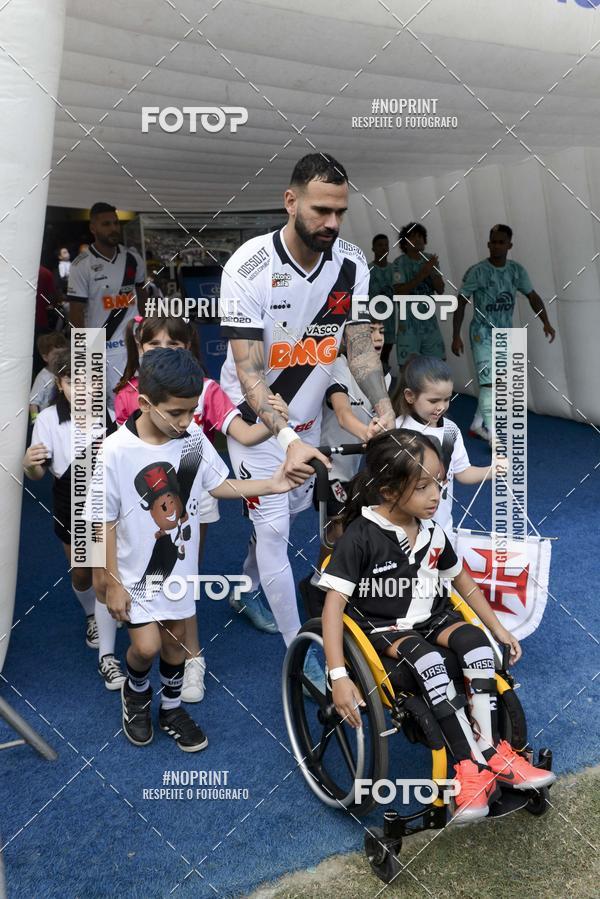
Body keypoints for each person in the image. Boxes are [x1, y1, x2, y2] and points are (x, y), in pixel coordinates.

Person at [219, 152, 394, 688]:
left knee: (287, 516)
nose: (332, 223)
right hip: (259, 418)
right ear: (291, 201)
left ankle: (247, 589)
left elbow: (357, 344)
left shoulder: (351, 262)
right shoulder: (248, 266)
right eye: (321, 210)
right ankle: (309, 652)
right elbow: (249, 371)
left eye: (340, 212)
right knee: (274, 531)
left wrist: (381, 401)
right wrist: (288, 437)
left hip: (311, 410)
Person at [320, 429, 556, 822]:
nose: (436, 496)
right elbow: (332, 608)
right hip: (386, 628)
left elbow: (462, 581)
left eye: (439, 484)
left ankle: (493, 751)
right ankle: (468, 768)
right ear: (389, 491)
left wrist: (499, 629)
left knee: (478, 645)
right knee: (429, 661)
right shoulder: (360, 538)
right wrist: (338, 675)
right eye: (423, 486)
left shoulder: (432, 532)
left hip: (433, 618)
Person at [94, 348, 298, 751]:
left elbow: (217, 485)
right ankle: (136, 692)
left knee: (175, 646)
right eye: (177, 413)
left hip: (179, 571)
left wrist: (271, 485)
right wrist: (111, 581)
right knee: (145, 647)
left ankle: (170, 708)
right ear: (146, 403)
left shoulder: (190, 440)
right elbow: (105, 519)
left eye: (192, 411)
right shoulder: (115, 450)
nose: (187, 422)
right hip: (136, 572)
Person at [23, 349, 125, 688]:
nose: (83, 388)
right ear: (60, 384)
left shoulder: (111, 416)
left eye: (91, 380)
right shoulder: (49, 419)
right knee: (82, 574)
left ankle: (106, 657)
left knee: (104, 575)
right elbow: (38, 472)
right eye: (72, 381)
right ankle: (90, 615)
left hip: (106, 505)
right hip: (69, 503)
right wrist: (29, 464)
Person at [452, 224, 556, 442]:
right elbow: (461, 302)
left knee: (499, 383)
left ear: (509, 245)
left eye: (501, 242)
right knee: (489, 383)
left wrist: (545, 322)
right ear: (488, 244)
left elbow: (533, 296)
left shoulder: (516, 271)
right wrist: (456, 335)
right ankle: (493, 435)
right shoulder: (477, 271)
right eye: (493, 242)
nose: (496, 246)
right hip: (481, 334)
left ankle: (477, 424)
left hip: (505, 334)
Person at [392, 355, 506, 532]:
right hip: (404, 531)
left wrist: (493, 470)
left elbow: (462, 472)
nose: (441, 407)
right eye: (433, 401)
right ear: (410, 396)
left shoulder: (451, 430)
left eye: (446, 399)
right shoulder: (398, 429)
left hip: (442, 527)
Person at [315, 320, 389, 569]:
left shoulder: (383, 375)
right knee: (337, 531)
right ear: (347, 339)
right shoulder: (338, 366)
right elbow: (343, 414)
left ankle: (327, 579)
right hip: (328, 464)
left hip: (359, 470)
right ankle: (324, 581)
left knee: (356, 530)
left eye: (381, 332)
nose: (377, 338)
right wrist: (367, 433)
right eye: (370, 333)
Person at [67, 203, 147, 413]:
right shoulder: (81, 265)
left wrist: (147, 328)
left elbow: (143, 294)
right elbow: (75, 310)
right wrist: (84, 349)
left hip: (133, 342)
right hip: (99, 345)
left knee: (137, 400)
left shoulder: (133, 258)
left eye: (115, 223)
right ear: (93, 228)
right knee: (104, 407)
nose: (113, 228)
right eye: (106, 224)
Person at [386, 222, 446, 370]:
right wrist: (423, 273)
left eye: (420, 236)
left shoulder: (430, 259)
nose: (418, 240)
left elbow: (440, 290)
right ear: (404, 244)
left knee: (437, 367)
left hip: (429, 324)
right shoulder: (399, 263)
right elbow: (399, 291)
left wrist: (433, 272)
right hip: (408, 325)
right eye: (412, 237)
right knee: (408, 369)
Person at [29, 332, 68, 420]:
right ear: (45, 357)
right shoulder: (43, 377)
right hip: (48, 421)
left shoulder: (66, 373)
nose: (61, 358)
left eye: (63, 354)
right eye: (56, 354)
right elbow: (33, 403)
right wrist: (35, 421)